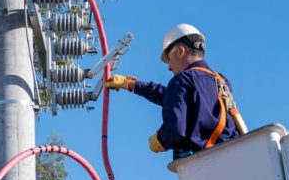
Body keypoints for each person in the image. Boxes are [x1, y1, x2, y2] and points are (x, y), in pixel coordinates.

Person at [105, 23, 245, 159]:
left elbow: (175, 130)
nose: (169, 68)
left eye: (169, 59)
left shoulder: (182, 80)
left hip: (203, 165)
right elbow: (173, 97)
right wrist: (132, 84)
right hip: (235, 158)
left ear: (180, 51)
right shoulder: (221, 82)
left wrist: (160, 139)